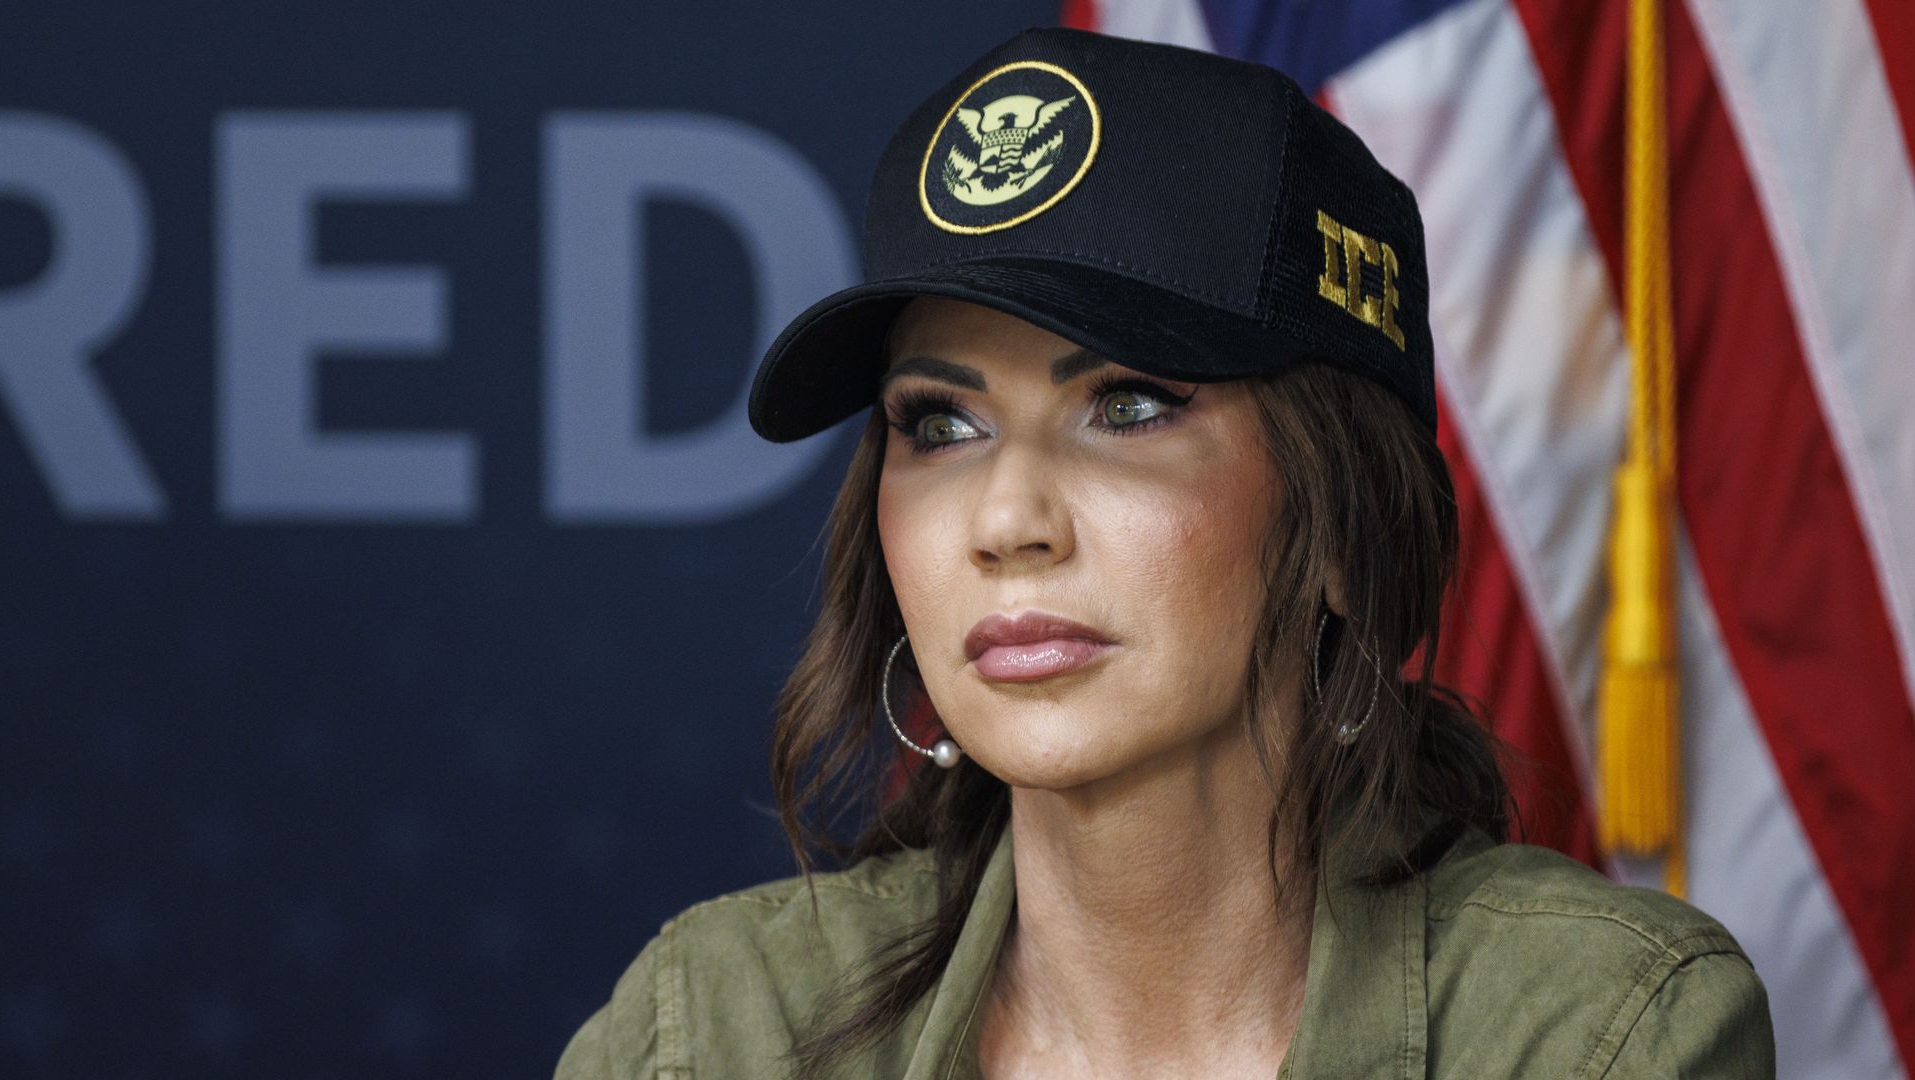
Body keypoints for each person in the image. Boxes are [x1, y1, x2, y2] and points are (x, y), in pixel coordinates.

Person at [555, 25, 1775, 1080]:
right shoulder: (711, 1028)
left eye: (1128, 407)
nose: (1006, 520)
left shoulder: (1600, 1033)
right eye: (940, 423)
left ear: (1344, 520)